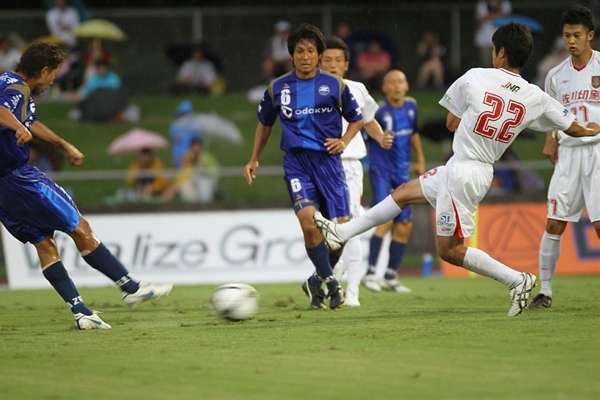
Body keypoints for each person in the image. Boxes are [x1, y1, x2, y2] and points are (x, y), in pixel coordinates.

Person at [313, 22, 600, 317]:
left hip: (463, 171)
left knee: (449, 250)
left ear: (500, 52)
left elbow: (451, 123)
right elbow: (575, 128)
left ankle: (517, 280)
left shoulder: (475, 76)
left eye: (494, 49)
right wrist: (593, 128)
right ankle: (341, 232)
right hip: (476, 169)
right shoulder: (535, 96)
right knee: (403, 193)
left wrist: (475, 116)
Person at [0, 41, 172, 330]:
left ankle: (81, 311)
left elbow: (29, 121)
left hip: (3, 190)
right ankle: (130, 287)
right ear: (43, 70)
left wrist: (63, 144)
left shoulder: (7, 80)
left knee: (44, 244)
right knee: (79, 227)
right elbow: (3, 112)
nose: (53, 81)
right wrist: (17, 127)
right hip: (20, 178)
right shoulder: (18, 89)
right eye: (53, 74)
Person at [243, 23, 363, 310]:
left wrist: (344, 140)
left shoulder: (335, 85)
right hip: (297, 164)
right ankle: (331, 282)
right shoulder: (278, 87)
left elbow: (356, 118)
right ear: (291, 55)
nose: (305, 56)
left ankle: (315, 281)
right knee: (309, 224)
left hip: (329, 164)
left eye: (310, 51)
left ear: (319, 54)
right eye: (299, 51)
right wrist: (254, 158)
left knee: (340, 235)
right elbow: (264, 123)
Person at [530, 5, 600, 309]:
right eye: (566, 35)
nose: (571, 41)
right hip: (569, 154)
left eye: (576, 35)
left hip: (598, 153)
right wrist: (550, 140)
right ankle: (545, 292)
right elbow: (551, 114)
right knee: (554, 223)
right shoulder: (555, 75)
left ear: (590, 35)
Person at [319, 35, 392, 306]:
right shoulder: (308, 90)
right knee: (323, 226)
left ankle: (352, 292)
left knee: (350, 223)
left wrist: (380, 137)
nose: (333, 65)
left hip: (348, 164)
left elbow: (367, 119)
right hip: (317, 164)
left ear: (346, 64)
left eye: (338, 60)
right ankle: (331, 268)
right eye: (328, 60)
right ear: (318, 62)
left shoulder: (357, 89)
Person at [361, 70, 426, 293]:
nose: (397, 85)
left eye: (401, 81)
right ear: (384, 88)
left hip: (402, 174)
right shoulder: (378, 110)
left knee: (405, 225)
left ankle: (390, 276)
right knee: (385, 220)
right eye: (392, 82)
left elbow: (414, 133)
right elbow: (366, 137)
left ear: (407, 85)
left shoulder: (412, 106)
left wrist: (420, 159)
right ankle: (370, 274)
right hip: (381, 171)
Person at [161, 136, 220, 203]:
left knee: (176, 187)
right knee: (169, 184)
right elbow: (181, 166)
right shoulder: (189, 156)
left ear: (201, 147)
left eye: (197, 146)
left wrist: (202, 166)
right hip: (188, 182)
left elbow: (212, 174)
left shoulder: (207, 158)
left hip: (201, 183)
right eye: (193, 146)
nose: (195, 149)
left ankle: (161, 203)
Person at [474, 0, 512, 67]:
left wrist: (490, 15)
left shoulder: (504, 3)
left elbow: (506, 15)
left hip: (501, 39)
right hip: (485, 40)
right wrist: (497, 14)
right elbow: (482, 18)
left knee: (501, 64)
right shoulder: (482, 4)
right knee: (485, 64)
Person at [169, 100, 201, 168]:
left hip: (190, 156)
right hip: (178, 156)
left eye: (186, 114)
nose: (184, 116)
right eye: (182, 114)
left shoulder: (193, 126)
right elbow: (173, 135)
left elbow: (197, 139)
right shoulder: (175, 125)